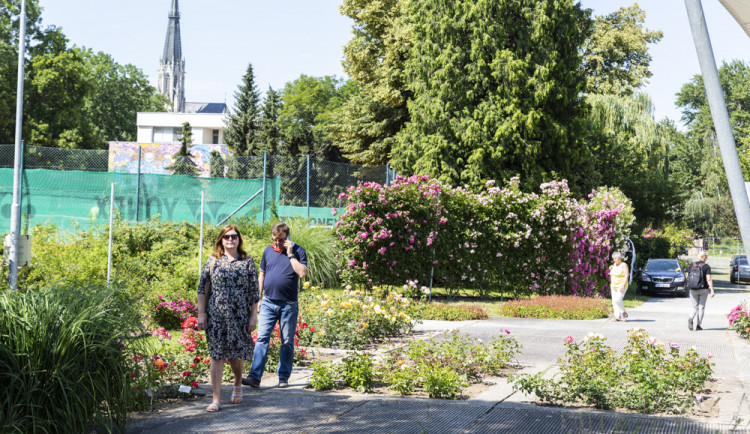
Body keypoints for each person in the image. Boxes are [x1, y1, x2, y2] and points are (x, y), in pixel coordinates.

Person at [197, 224, 259, 412]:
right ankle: (216, 399)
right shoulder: (213, 260)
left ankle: (237, 383)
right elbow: (202, 288)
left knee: (236, 355)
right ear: (221, 240)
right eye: (226, 237)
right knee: (217, 355)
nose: (230, 239)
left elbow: (254, 292)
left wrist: (253, 316)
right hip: (216, 315)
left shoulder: (247, 261)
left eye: (234, 236)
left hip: (239, 315)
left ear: (239, 239)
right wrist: (201, 314)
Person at [243, 221, 307, 389]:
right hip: (268, 302)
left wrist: (291, 253)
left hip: (288, 304)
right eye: (275, 239)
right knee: (262, 338)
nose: (278, 243)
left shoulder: (298, 251)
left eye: (281, 240)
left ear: (287, 237)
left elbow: (301, 272)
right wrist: (257, 300)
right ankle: (254, 377)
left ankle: (283, 377)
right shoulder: (268, 251)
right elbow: (262, 275)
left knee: (286, 341)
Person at [687, 251, 715, 331]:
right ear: (704, 257)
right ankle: (698, 325)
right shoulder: (706, 266)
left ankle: (691, 318)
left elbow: (687, 276)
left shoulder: (692, 265)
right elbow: (709, 279)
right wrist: (712, 290)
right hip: (703, 289)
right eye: (706, 257)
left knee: (693, 306)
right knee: (701, 307)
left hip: (693, 289)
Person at [609, 251, 629, 321]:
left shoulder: (624, 265)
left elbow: (626, 275)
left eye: (615, 258)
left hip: (621, 285)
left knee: (618, 300)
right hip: (613, 286)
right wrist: (611, 268)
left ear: (619, 258)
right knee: (614, 301)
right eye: (613, 259)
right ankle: (617, 316)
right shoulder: (614, 265)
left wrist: (623, 285)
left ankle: (623, 312)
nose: (614, 260)